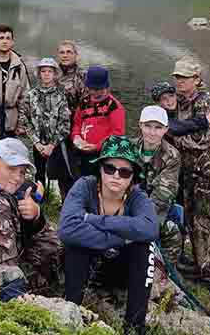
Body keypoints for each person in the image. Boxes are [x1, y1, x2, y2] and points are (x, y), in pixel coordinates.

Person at [59, 136, 159, 335]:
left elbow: (150, 229)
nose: (116, 176)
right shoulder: (84, 186)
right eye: (109, 168)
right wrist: (123, 237)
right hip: (86, 267)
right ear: (100, 168)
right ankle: (70, 313)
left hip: (121, 271)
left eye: (124, 172)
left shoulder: (137, 197)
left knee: (145, 247)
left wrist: (94, 220)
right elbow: (67, 229)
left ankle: (134, 327)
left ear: (132, 177)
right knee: (76, 245)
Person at [0, 138, 62, 301]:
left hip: (8, 272)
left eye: (22, 172)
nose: (17, 177)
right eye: (11, 168)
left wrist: (36, 217)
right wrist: (15, 298)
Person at [170, 57, 210, 292]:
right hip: (189, 175)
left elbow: (203, 142)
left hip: (208, 176)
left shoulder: (207, 103)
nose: (179, 81)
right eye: (177, 77)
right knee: (194, 221)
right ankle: (200, 265)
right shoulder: (182, 102)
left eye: (184, 77)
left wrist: (172, 135)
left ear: (196, 79)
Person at [132, 105, 182, 264]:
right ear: (140, 125)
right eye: (147, 126)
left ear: (165, 129)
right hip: (127, 205)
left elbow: (163, 194)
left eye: (158, 127)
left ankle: (166, 271)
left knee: (172, 230)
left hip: (155, 210)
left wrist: (141, 223)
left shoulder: (172, 156)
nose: (152, 132)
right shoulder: (128, 147)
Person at [19, 57, 71, 188]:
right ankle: (40, 203)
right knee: (39, 175)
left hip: (56, 145)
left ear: (55, 75)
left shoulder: (61, 96)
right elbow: (24, 119)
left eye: (49, 71)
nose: (46, 74)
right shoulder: (31, 95)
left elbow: (65, 123)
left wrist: (52, 145)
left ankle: (60, 203)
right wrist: (36, 142)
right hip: (38, 146)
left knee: (60, 176)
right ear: (39, 74)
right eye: (43, 71)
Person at [71, 66, 126, 177]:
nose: (96, 93)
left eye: (100, 89)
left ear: (107, 87)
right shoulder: (84, 102)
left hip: (103, 155)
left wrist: (97, 146)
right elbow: (77, 123)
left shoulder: (114, 106)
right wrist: (76, 137)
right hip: (82, 152)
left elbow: (118, 133)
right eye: (92, 89)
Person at [0, 25, 31, 140]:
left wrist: (21, 123)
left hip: (11, 121)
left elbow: (25, 97)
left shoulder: (19, 65)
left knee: (9, 154)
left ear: (12, 42)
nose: (4, 41)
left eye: (8, 38)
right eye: (1, 38)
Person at [56, 40, 86, 119]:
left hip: (77, 121)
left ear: (76, 55)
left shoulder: (83, 76)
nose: (65, 55)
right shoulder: (51, 75)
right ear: (58, 56)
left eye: (69, 52)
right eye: (62, 52)